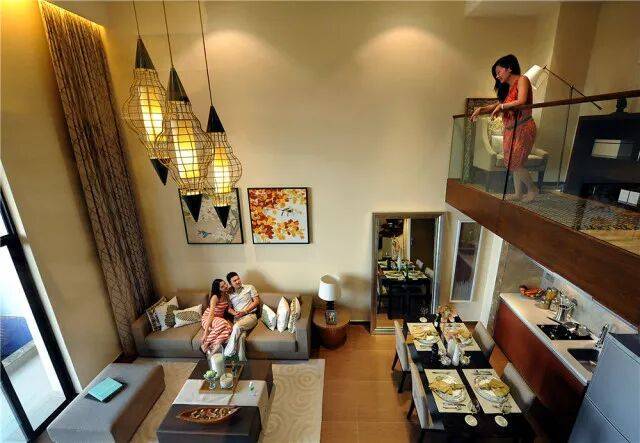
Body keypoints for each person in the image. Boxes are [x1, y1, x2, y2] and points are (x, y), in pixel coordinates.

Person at [471, 54, 538, 202]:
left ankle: (532, 189)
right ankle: (518, 193)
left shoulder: (523, 80)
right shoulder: (508, 88)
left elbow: (521, 100)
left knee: (516, 162)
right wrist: (482, 109)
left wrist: (502, 107)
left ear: (509, 68)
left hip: (523, 127)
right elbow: (499, 104)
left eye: (499, 71)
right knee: (512, 163)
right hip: (510, 130)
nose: (497, 76)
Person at [224, 272, 260, 358]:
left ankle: (227, 353)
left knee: (236, 327)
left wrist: (245, 311)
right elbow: (229, 308)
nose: (237, 281)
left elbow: (256, 301)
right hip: (238, 318)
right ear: (230, 284)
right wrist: (234, 313)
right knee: (241, 338)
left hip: (250, 316)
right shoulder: (229, 293)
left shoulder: (249, 287)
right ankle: (242, 361)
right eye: (234, 281)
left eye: (238, 279)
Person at [200, 279, 233, 354]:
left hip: (218, 320)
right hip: (208, 318)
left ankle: (214, 345)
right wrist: (206, 332)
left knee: (229, 328)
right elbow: (211, 314)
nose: (225, 286)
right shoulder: (215, 297)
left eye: (225, 284)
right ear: (218, 289)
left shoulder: (226, 295)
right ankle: (205, 344)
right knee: (224, 323)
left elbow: (228, 308)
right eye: (222, 286)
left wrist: (236, 313)